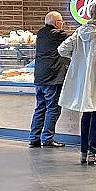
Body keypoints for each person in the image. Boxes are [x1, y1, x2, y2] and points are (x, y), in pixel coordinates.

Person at [58, 1, 96, 165]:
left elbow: (62, 49)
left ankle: (84, 152)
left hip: (85, 81)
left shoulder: (80, 30)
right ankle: (94, 153)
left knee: (86, 115)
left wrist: (81, 60)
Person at [29, 11, 69, 149]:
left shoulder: (40, 33)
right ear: (57, 23)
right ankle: (47, 138)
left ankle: (34, 138)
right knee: (53, 109)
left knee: (40, 108)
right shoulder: (59, 34)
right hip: (52, 78)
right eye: (61, 21)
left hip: (39, 78)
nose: (62, 24)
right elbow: (74, 41)